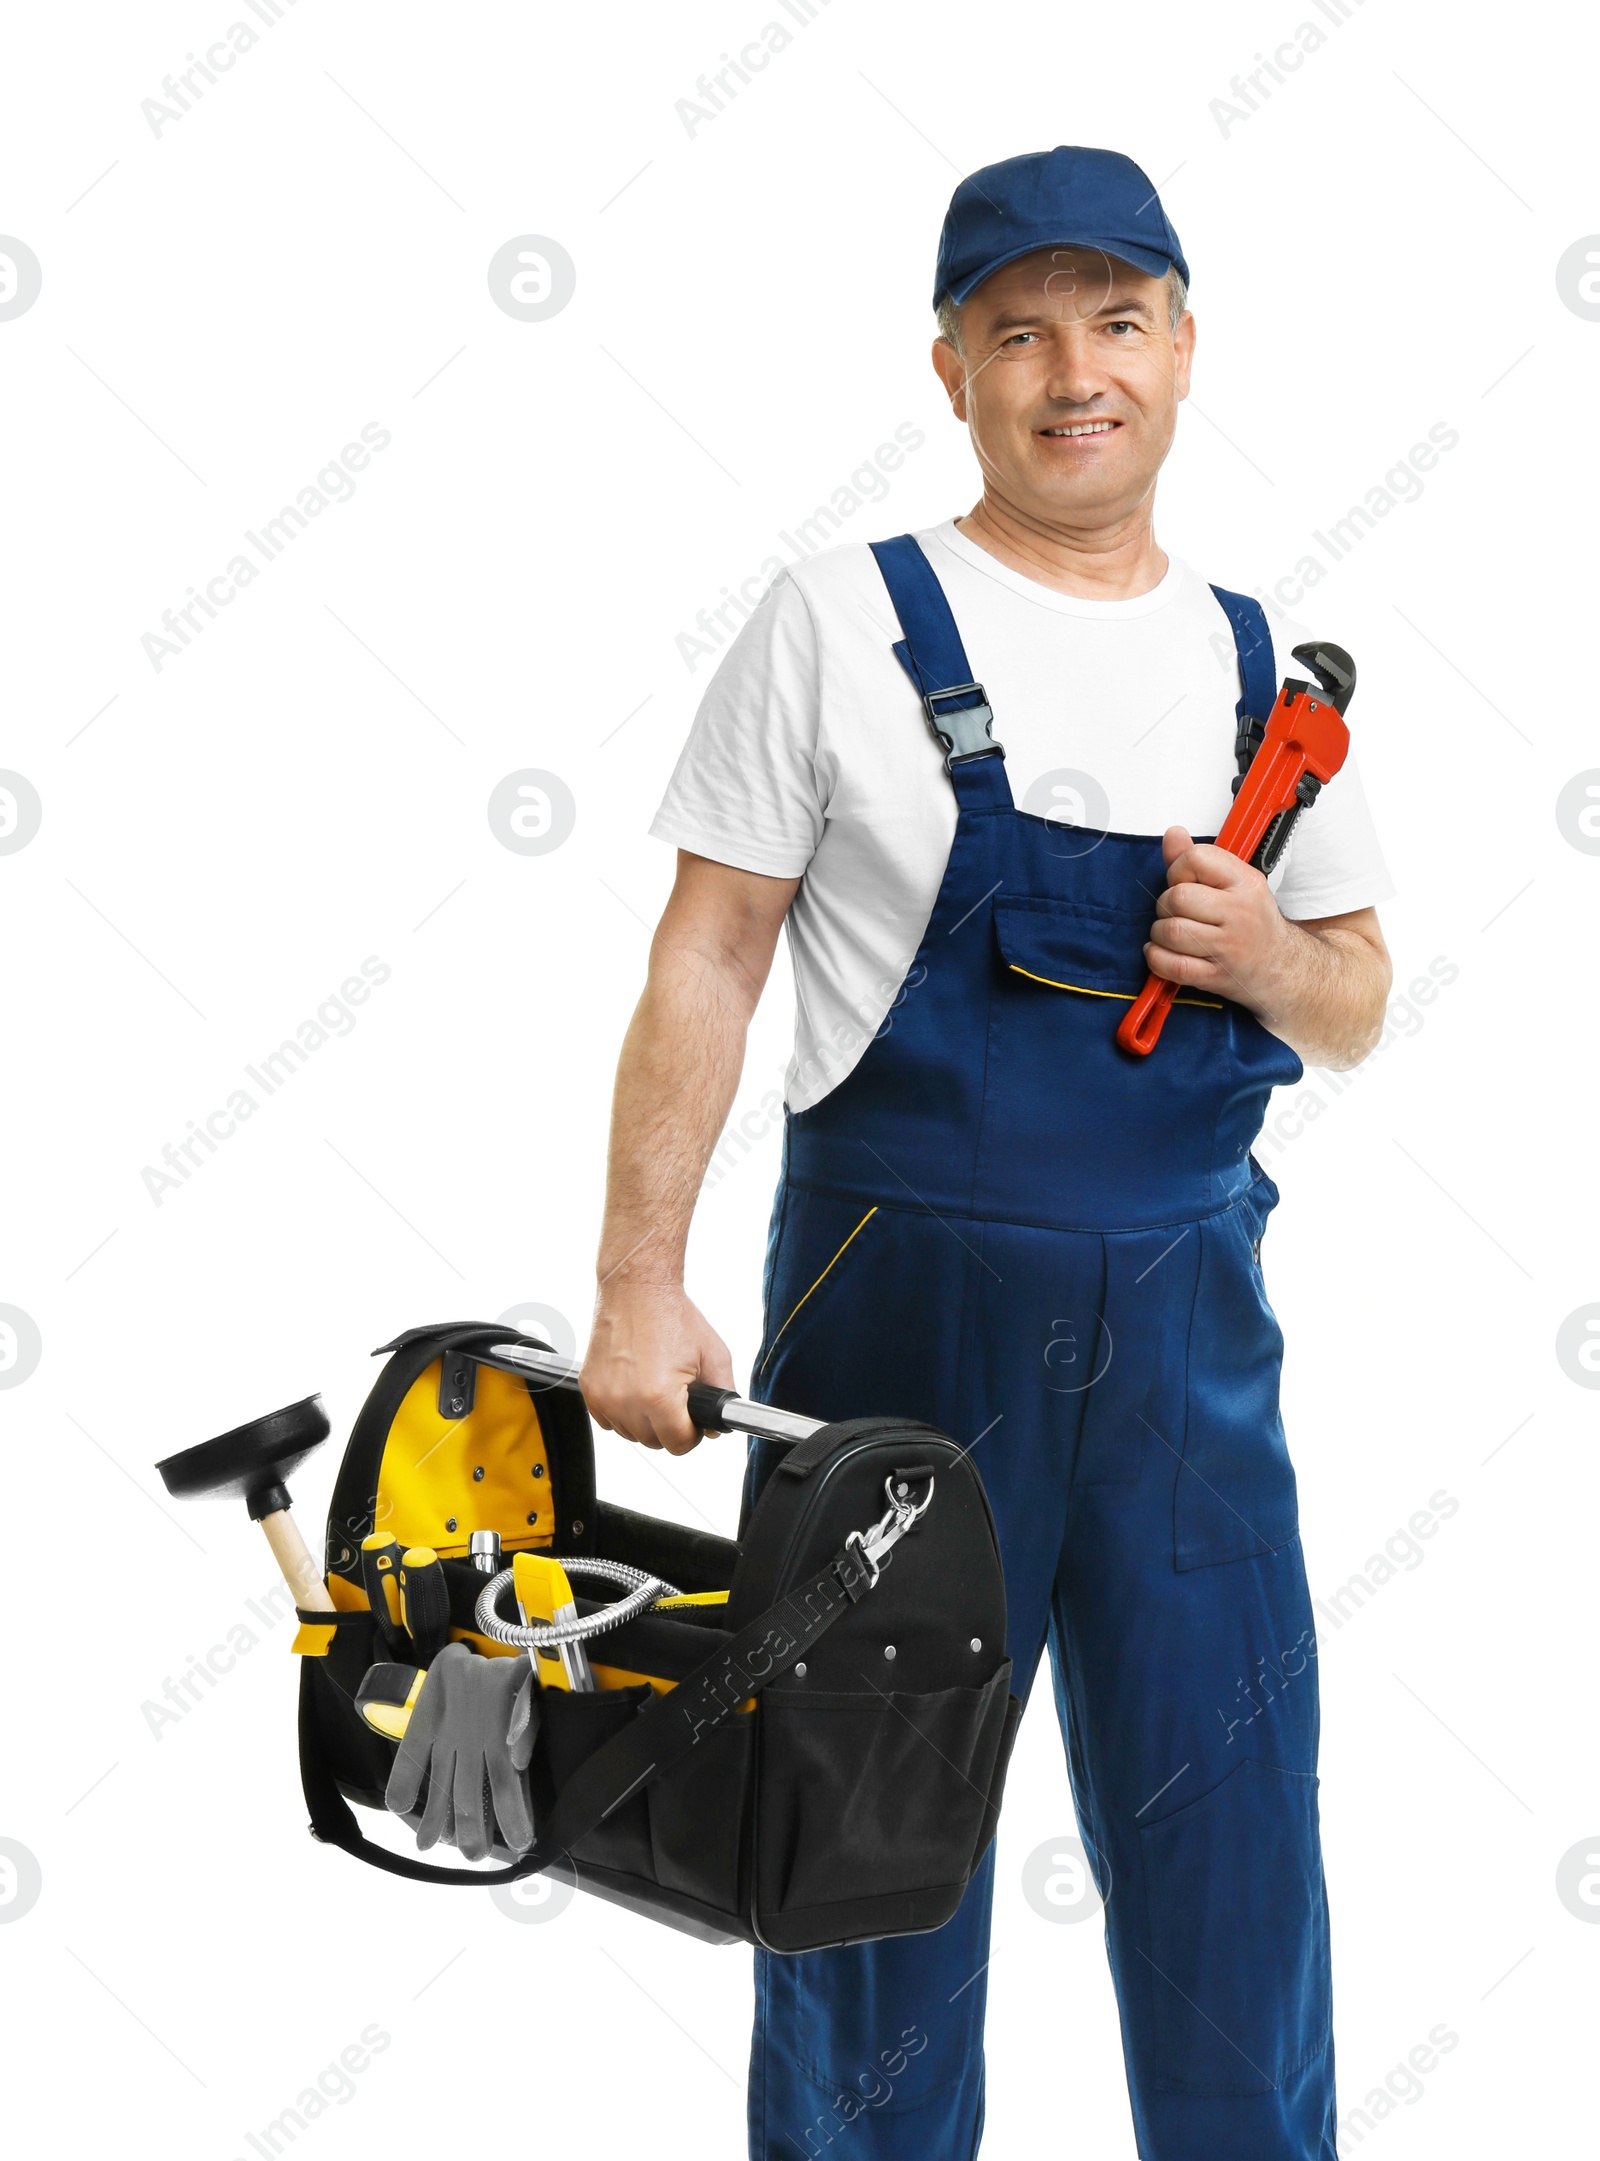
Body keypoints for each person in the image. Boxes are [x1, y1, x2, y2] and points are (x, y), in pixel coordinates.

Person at [581, 144, 1393, 2161]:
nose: (1069, 370)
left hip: (1189, 1357)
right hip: (897, 1343)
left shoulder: (1244, 660)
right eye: (1016, 330)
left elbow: (1358, 995)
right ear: (948, 367)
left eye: (1112, 321)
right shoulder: (838, 622)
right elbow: (706, 955)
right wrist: (633, 1282)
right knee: (861, 1859)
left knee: (1228, 1855)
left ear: (1180, 351)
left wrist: (1273, 952)